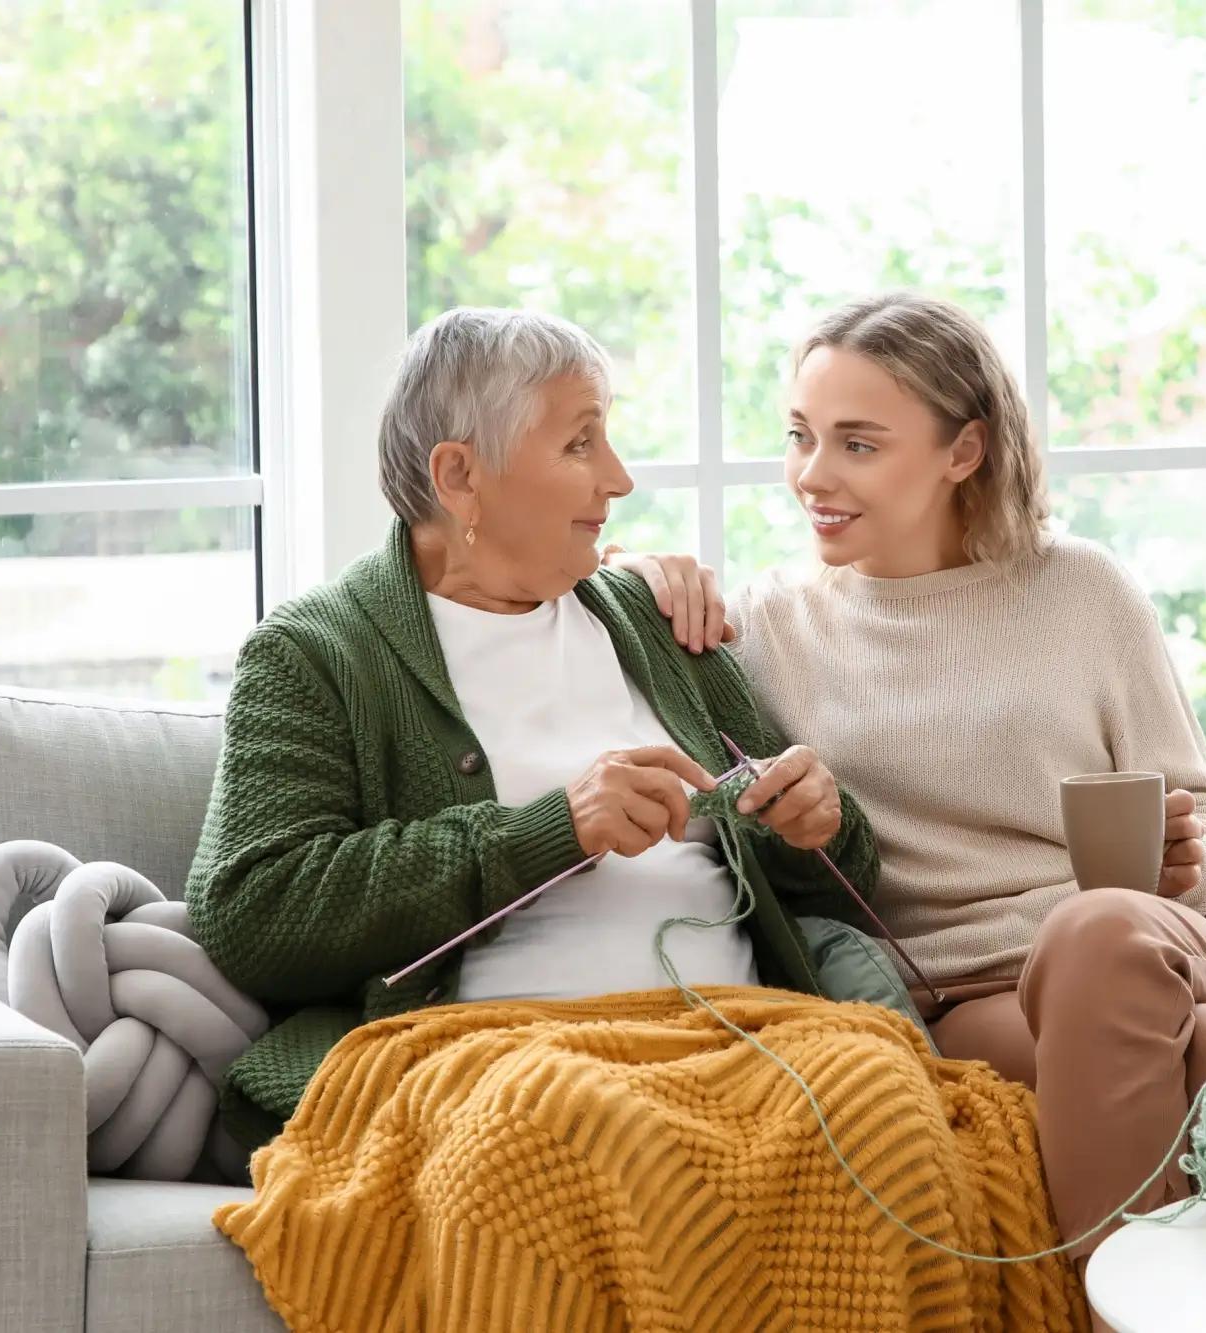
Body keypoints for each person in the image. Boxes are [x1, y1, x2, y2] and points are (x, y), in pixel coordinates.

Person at [608, 290, 1206, 1258]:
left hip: (1164, 942)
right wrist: (638, 569)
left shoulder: (1081, 591)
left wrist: (1189, 866)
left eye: (857, 443)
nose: (811, 473)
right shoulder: (767, 628)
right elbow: (602, 607)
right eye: (800, 436)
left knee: (1095, 931)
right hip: (971, 999)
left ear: (963, 451)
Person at [185, 307, 882, 1153]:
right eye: (580, 443)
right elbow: (250, 911)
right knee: (580, 1137)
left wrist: (815, 825)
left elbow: (844, 882)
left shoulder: (655, 619)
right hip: (495, 1065)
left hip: (741, 1046)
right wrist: (550, 832)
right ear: (459, 476)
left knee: (893, 1113)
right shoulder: (314, 653)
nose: (619, 479)